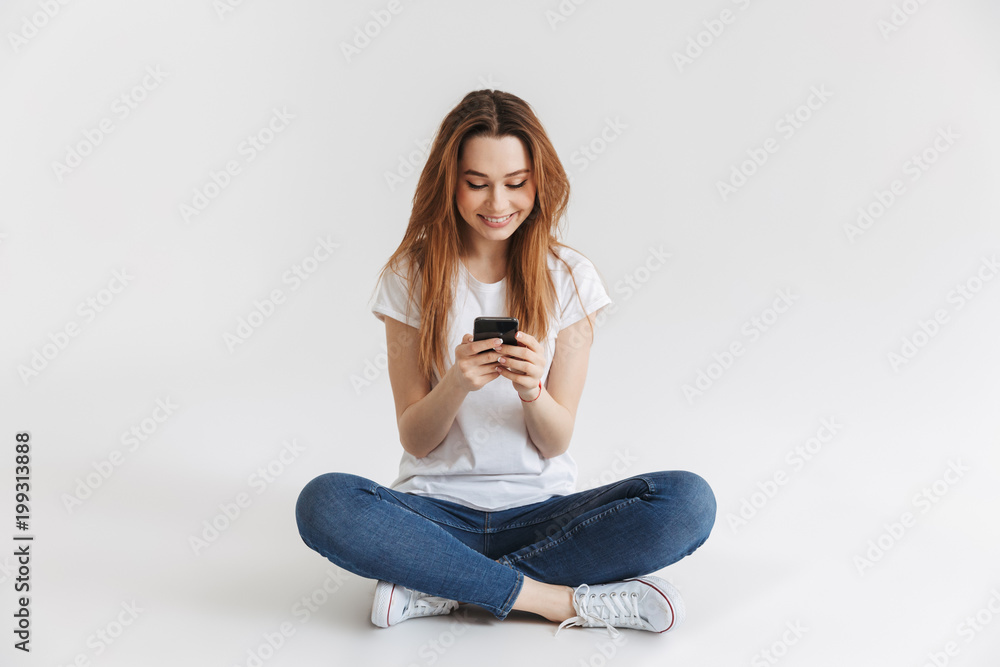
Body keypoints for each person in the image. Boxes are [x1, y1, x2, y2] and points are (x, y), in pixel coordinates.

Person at [294, 89, 716, 638]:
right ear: (450, 182)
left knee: (687, 501)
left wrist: (534, 393)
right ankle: (552, 599)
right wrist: (455, 383)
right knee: (324, 502)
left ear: (540, 182)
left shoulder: (569, 277)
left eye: (516, 183)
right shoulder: (410, 276)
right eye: (477, 183)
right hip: (435, 516)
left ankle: (439, 585)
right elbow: (417, 440)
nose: (498, 203)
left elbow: (556, 441)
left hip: (543, 516)